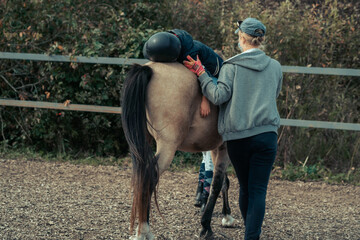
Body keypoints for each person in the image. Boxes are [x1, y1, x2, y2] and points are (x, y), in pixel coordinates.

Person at [183, 18, 283, 240]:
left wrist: (201, 73)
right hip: (267, 137)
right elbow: (273, 94)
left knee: (246, 189)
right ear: (261, 40)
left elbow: (218, 96)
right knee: (259, 191)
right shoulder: (275, 67)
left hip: (239, 138)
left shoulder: (231, 66)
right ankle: (251, 236)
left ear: (241, 38)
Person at [143, 29, 223, 117]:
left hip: (214, 72)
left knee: (218, 94)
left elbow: (204, 73)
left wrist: (205, 100)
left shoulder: (190, 56)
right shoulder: (171, 36)